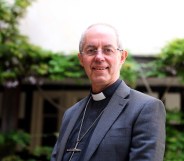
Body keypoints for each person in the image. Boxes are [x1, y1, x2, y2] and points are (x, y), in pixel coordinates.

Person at [51, 23, 166, 161]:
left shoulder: (145, 108)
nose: (99, 57)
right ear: (81, 59)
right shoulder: (70, 114)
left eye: (108, 50)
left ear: (122, 57)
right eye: (91, 50)